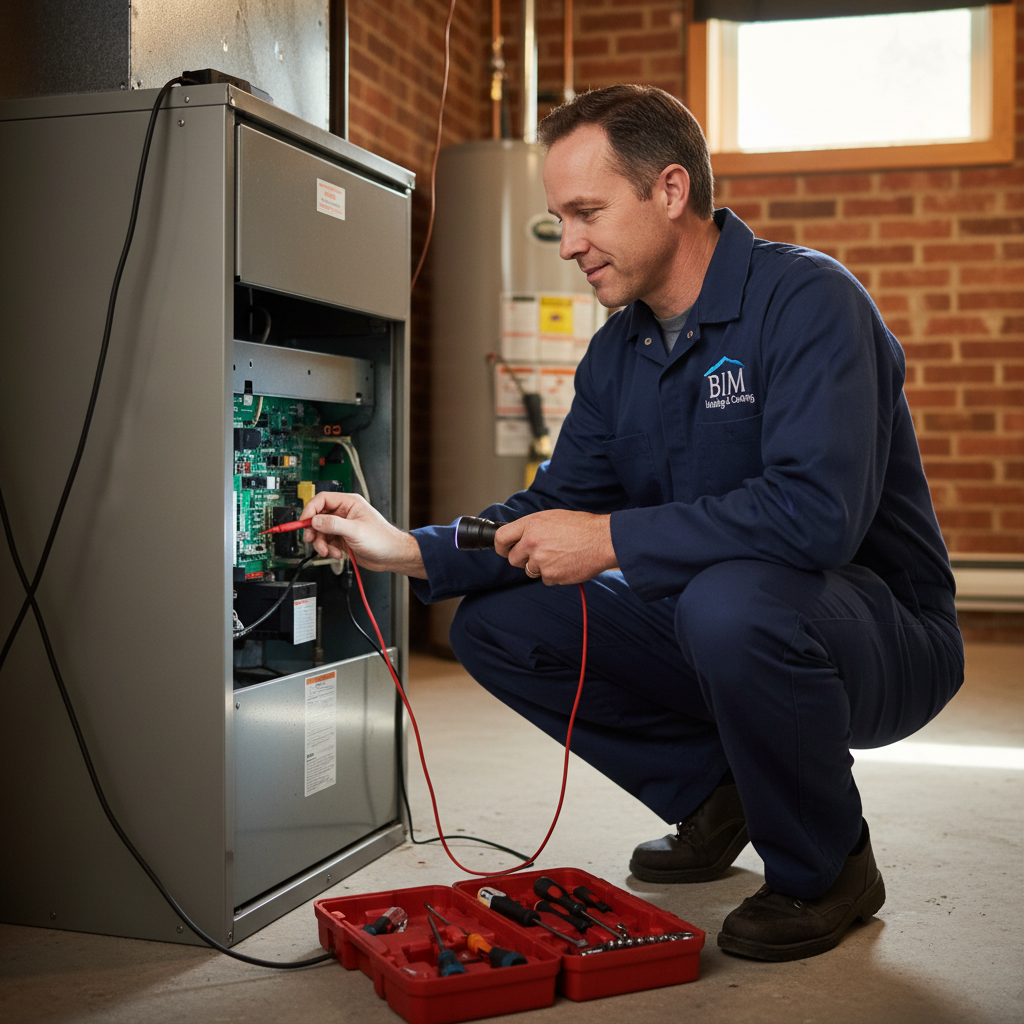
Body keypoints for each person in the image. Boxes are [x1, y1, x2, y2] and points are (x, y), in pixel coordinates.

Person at [300, 85, 964, 962]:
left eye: (586, 212)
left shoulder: (808, 302)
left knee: (729, 602)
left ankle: (829, 865)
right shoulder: (622, 349)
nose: (568, 242)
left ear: (671, 191)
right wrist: (405, 548)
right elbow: (549, 507)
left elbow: (818, 517)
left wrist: (610, 540)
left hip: (879, 636)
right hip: (717, 627)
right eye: (557, 217)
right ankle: (720, 790)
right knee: (498, 624)